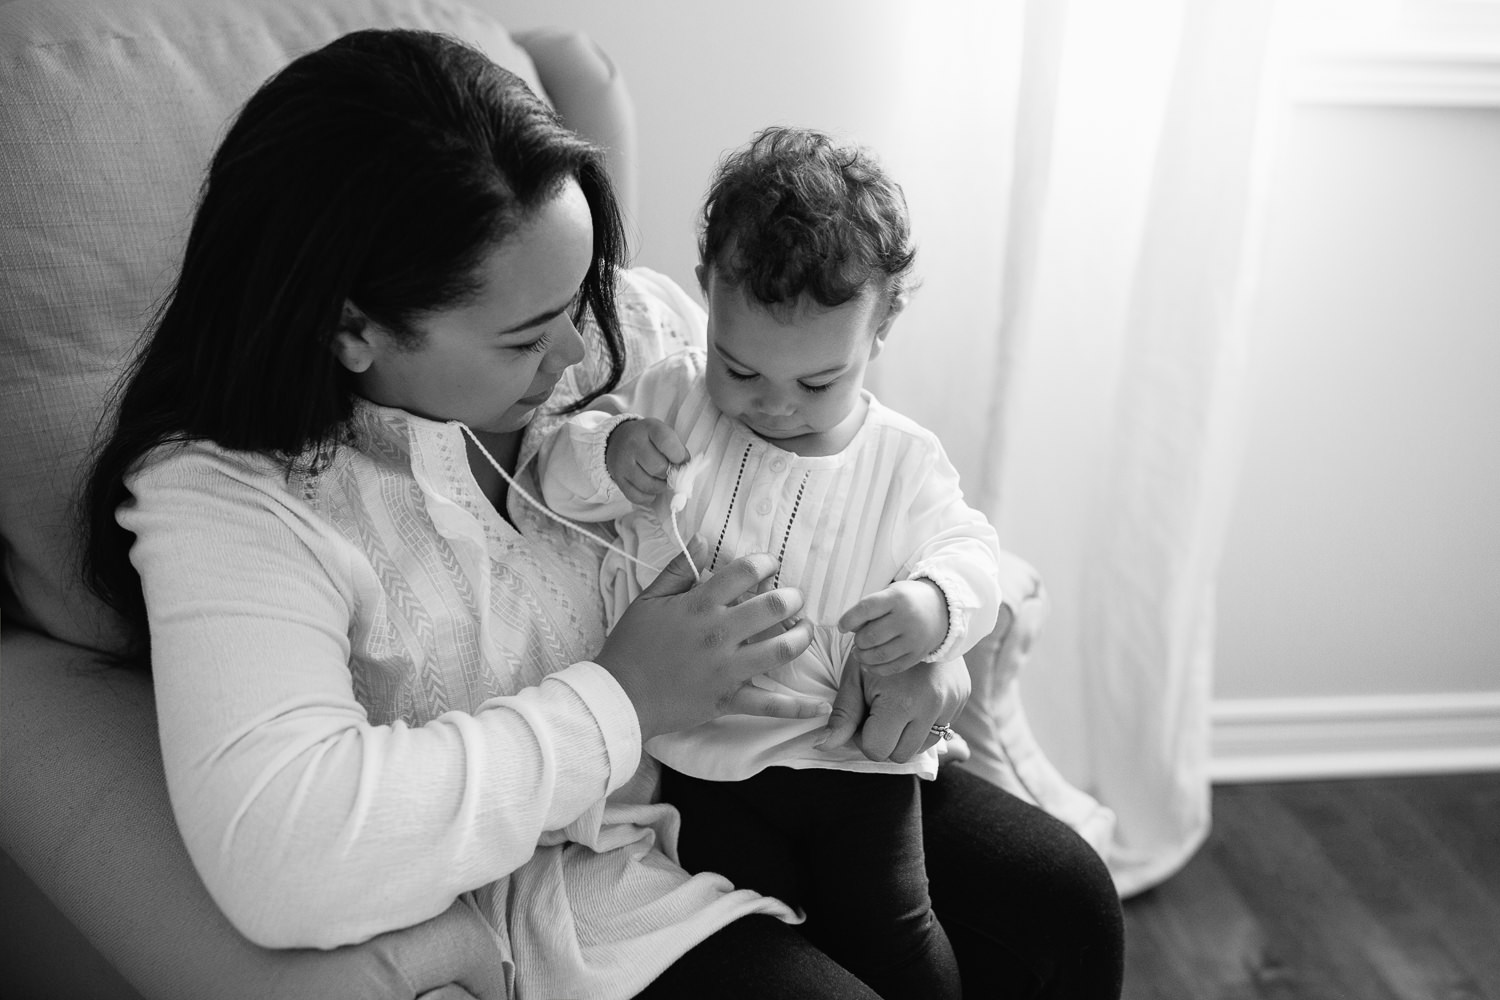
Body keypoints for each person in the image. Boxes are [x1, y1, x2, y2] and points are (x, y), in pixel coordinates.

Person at [78, 27, 1124, 1000]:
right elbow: (287, 856)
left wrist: (927, 637)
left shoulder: (637, 323)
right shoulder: (233, 499)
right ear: (354, 328)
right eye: (527, 336)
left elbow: (851, 477)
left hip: (788, 749)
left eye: (582, 297)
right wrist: (621, 698)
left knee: (1065, 899)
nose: (586, 357)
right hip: (586, 869)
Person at [537, 126, 1001, 998]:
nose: (775, 406)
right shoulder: (672, 394)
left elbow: (973, 553)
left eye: (817, 383)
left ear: (882, 326)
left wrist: (935, 607)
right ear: (707, 291)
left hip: (851, 761)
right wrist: (611, 454)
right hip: (704, 762)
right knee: (776, 929)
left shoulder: (902, 460)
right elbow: (554, 475)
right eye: (740, 368)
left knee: (895, 939)